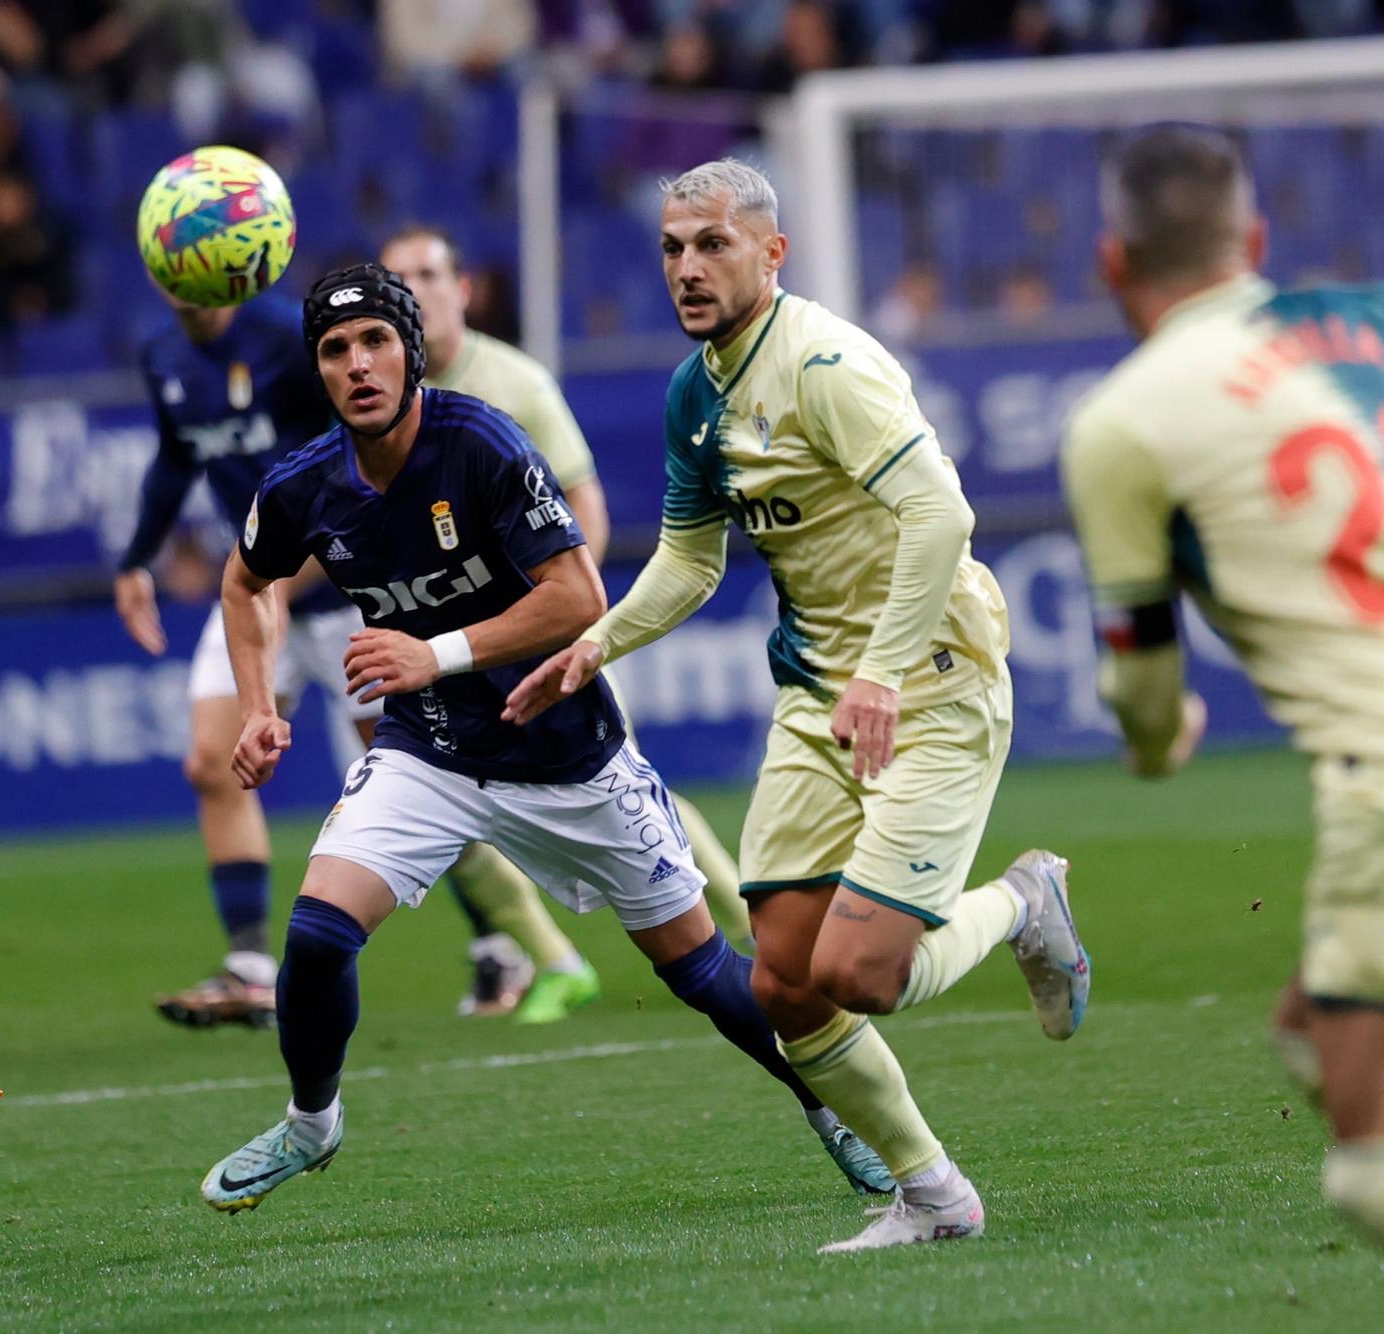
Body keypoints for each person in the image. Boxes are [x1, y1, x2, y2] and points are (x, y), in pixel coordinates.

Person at [198, 262, 894, 1211]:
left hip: (566, 755)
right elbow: (245, 584)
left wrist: (431, 653)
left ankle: (837, 1107)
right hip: (428, 753)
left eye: (375, 342)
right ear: (317, 371)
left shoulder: (479, 442)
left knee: (700, 972)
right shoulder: (305, 484)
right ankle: (312, 1124)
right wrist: (258, 708)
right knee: (316, 937)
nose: (358, 365)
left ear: (410, 351)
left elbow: (578, 596)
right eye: (335, 349)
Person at [507, 159, 1090, 1252]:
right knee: (782, 980)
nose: (687, 266)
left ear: (770, 253)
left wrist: (880, 668)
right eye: (673, 247)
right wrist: (593, 643)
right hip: (819, 695)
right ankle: (932, 1193)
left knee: (860, 973)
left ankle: (1023, 899)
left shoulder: (824, 362)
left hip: (931, 682)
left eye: (712, 244)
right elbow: (687, 559)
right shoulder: (696, 391)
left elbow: (940, 511)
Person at [1062, 125, 1384, 1283]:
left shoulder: (1121, 422)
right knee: (1307, 1029)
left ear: (1108, 261)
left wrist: (1151, 737)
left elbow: (1141, 685)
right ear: (1256, 241)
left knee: (1381, 1164)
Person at [117, 287, 597, 1027]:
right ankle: (249, 965)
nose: (352, 362)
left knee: (435, 782)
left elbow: (368, 450)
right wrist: (137, 559)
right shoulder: (162, 353)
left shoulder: (290, 337)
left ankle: (503, 941)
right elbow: (177, 456)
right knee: (213, 761)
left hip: (359, 591)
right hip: (258, 584)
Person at [382, 223, 758, 1012]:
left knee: (633, 793)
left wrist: (570, 613)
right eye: (398, 277)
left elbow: (583, 501)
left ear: (462, 289)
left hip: (541, 628)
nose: (415, 288)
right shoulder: (383, 404)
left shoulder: (514, 383)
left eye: (428, 271)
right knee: (444, 802)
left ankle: (751, 931)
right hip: (448, 646)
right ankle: (546, 958)